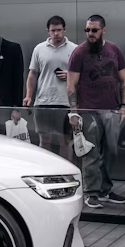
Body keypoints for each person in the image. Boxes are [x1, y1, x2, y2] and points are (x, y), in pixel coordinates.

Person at [67, 14, 125, 209]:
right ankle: (91, 192)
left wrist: (123, 106)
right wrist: (74, 112)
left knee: (111, 151)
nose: (90, 34)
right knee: (91, 153)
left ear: (103, 30)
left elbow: (124, 80)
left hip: (111, 109)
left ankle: (105, 190)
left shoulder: (114, 50)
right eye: (87, 30)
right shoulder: (79, 52)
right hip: (88, 110)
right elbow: (71, 85)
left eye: (94, 30)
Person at [24, 16, 76, 158]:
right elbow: (32, 74)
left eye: (59, 30)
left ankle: (66, 169)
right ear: (48, 31)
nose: (56, 34)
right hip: (43, 102)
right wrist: (28, 96)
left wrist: (70, 75)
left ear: (65, 30)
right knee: (44, 141)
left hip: (65, 102)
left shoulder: (74, 49)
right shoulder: (39, 49)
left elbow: (81, 75)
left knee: (65, 141)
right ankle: (45, 169)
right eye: (53, 31)